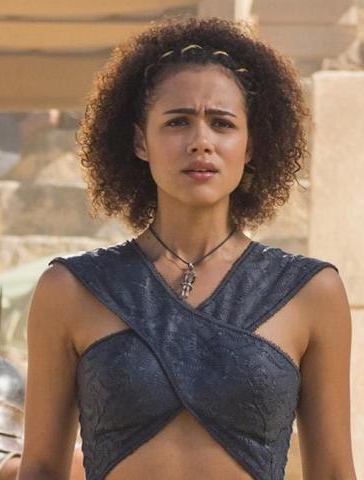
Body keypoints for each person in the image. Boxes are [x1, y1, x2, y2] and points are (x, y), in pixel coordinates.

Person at [18, 18, 356, 480]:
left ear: (250, 145)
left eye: (222, 123)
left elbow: (334, 472)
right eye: (178, 122)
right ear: (140, 140)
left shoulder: (311, 292)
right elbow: (39, 469)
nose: (201, 142)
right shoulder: (71, 289)